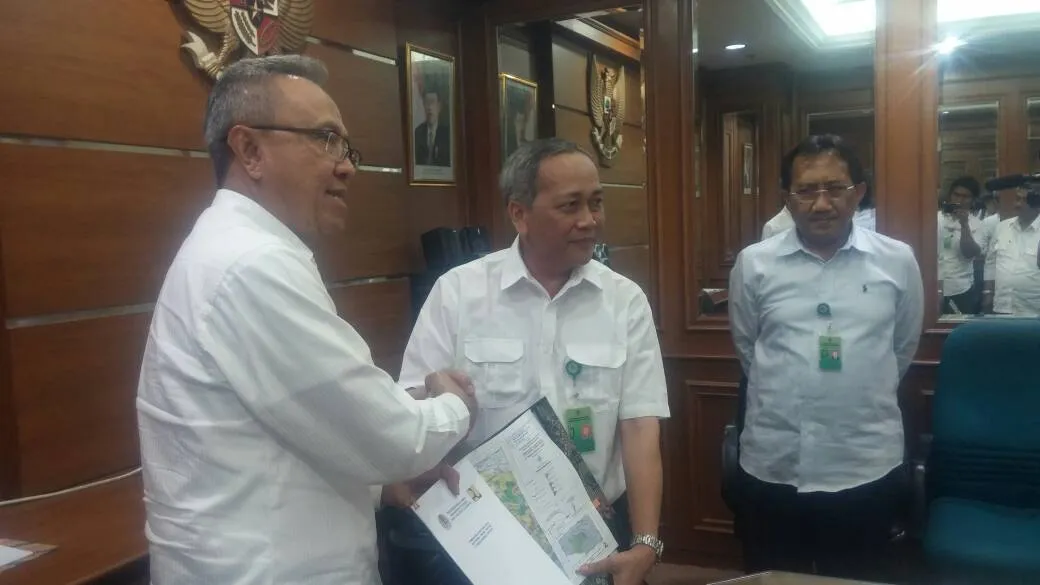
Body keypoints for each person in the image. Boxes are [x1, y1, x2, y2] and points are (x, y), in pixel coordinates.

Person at [136, 55, 477, 585]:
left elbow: (292, 425)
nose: (347, 166)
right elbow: (395, 439)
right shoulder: (252, 264)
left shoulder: (238, 250)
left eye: (346, 147)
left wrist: (378, 485)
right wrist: (456, 404)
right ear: (250, 150)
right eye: (325, 139)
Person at [395, 138, 670, 585]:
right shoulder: (458, 293)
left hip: (593, 532)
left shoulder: (625, 301)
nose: (589, 220)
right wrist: (434, 394)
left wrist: (645, 543)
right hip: (484, 536)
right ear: (519, 214)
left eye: (596, 202)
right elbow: (410, 406)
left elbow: (640, 425)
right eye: (570, 206)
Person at [729, 134, 924, 581]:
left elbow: (902, 347)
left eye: (835, 188)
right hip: (773, 466)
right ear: (787, 198)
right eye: (806, 190)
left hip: (865, 466)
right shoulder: (754, 264)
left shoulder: (896, 261)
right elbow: (748, 349)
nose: (821, 204)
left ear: (858, 192)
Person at [983, 187, 1040, 316]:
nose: (1018, 204)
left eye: (1024, 200)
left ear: (1037, 205)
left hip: (1033, 311)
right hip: (1001, 307)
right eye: (1017, 199)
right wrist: (987, 293)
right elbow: (991, 263)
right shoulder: (1001, 227)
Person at [937, 176, 984, 314]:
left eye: (965, 197)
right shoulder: (935, 218)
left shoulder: (977, 224)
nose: (959, 200)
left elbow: (969, 253)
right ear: (950, 195)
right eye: (956, 195)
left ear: (973, 200)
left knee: (958, 326)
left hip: (960, 289)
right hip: (933, 286)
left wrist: (964, 224)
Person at [414, 84, 451, 167]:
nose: (429, 107)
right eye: (427, 103)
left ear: (439, 106)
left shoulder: (447, 133)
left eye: (432, 102)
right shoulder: (418, 132)